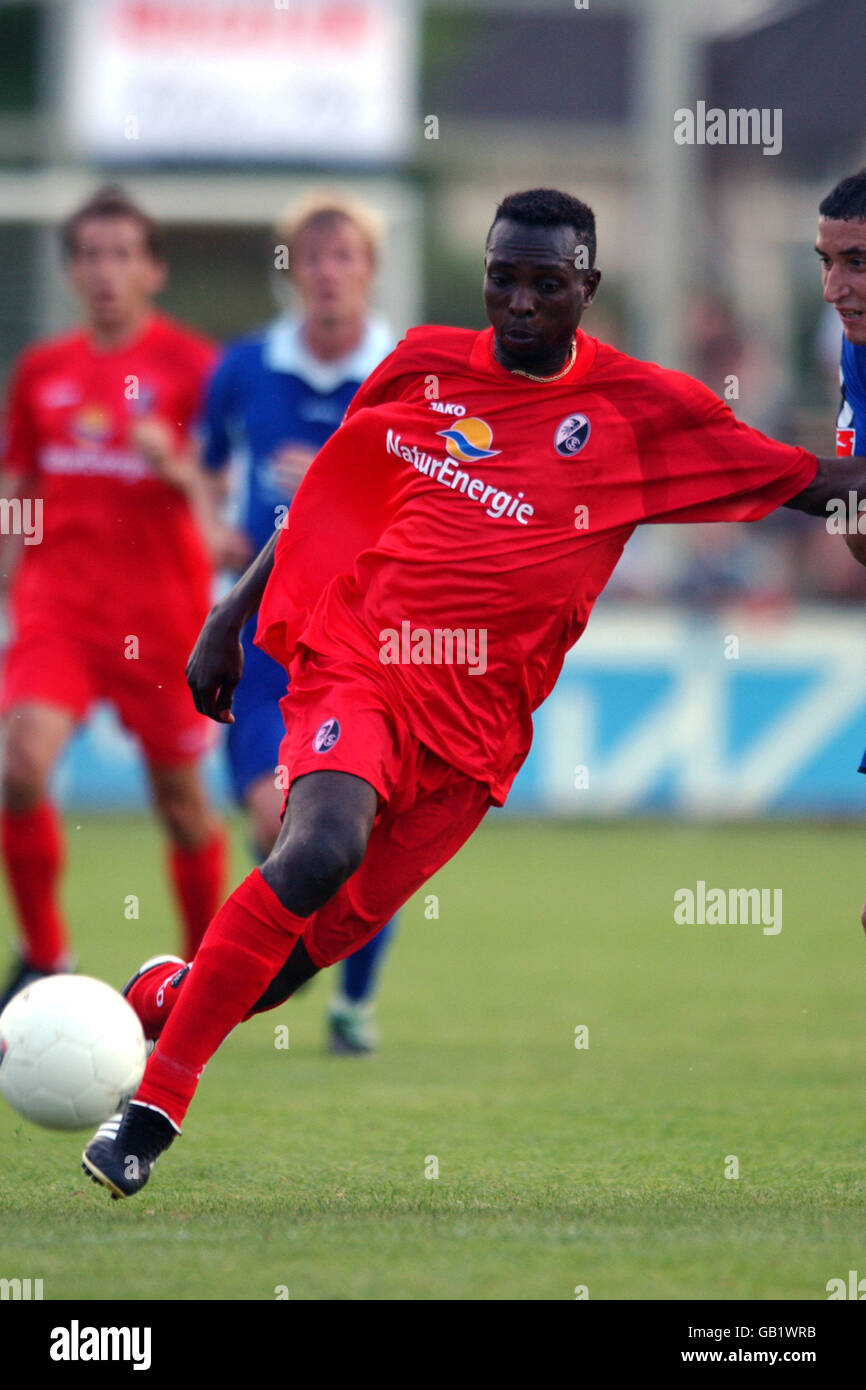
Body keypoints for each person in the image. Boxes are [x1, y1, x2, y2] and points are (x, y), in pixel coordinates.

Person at [82, 187, 861, 1199]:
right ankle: (152, 1111)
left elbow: (812, 483)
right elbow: (334, 489)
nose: (521, 302)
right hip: (357, 659)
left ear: (585, 287)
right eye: (503, 279)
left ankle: (170, 995)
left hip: (474, 738)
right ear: (484, 275)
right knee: (316, 842)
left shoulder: (644, 412)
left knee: (285, 969)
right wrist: (231, 617)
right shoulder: (419, 363)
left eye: (547, 284)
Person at [0, 186, 227, 1010]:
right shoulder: (42, 371)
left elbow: (223, 496)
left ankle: (209, 980)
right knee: (19, 767)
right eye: (90, 255)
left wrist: (179, 470)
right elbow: (20, 481)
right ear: (70, 270)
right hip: (59, 608)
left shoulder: (194, 368)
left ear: (153, 268)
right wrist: (12, 561)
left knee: (184, 810)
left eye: (122, 254)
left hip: (162, 619)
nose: (105, 271)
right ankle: (45, 957)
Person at [198, 194, 397, 1054]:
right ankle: (264, 978)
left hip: (365, 632)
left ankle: (350, 1003)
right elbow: (205, 472)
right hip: (265, 634)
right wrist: (219, 532)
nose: (326, 273)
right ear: (292, 272)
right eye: (311, 258)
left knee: (351, 833)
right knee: (271, 823)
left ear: (370, 269)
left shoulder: (404, 373)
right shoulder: (243, 367)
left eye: (343, 257)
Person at [813, 168, 866, 922]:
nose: (833, 288)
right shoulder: (859, 354)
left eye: (856, 262)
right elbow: (857, 534)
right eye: (825, 262)